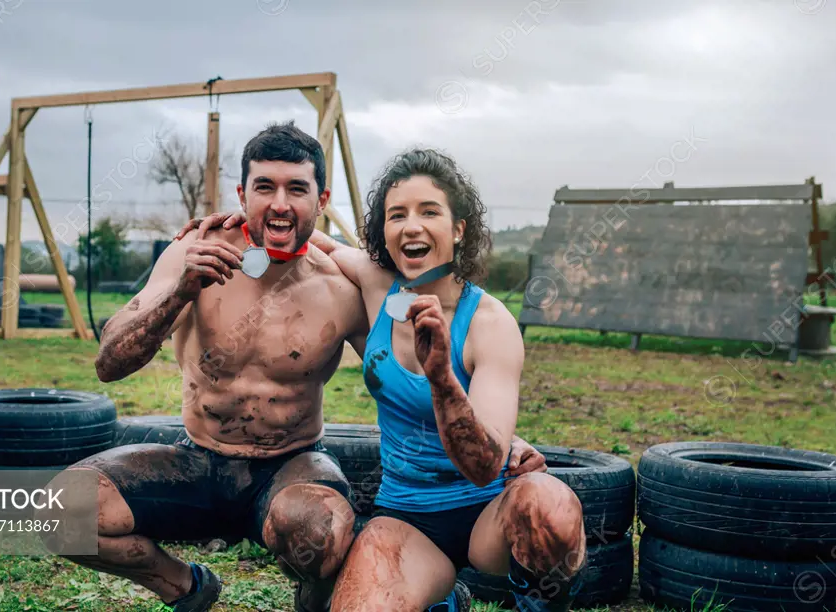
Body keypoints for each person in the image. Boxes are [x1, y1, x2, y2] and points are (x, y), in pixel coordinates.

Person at [179, 148, 587, 612]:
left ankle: (538, 598)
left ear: (458, 229)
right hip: (408, 517)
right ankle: (444, 599)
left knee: (550, 505)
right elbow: (304, 238)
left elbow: (483, 467)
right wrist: (244, 221)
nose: (412, 225)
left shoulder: (489, 324)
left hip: (487, 517)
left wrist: (442, 379)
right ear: (385, 235)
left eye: (429, 211)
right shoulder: (377, 284)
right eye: (398, 215)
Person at [41, 122, 372, 612]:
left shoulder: (342, 286)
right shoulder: (191, 254)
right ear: (243, 194)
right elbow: (108, 363)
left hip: (291, 465)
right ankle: (186, 587)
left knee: (320, 530)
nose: (279, 203)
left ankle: (313, 593)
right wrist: (180, 292)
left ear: (320, 199)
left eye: (296, 189)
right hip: (198, 460)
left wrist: (499, 436)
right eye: (265, 187)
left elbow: (402, 382)